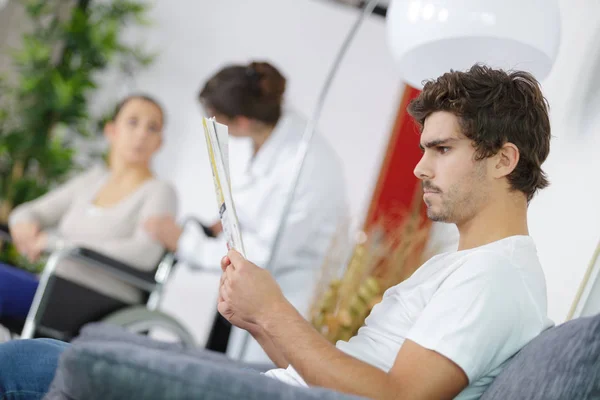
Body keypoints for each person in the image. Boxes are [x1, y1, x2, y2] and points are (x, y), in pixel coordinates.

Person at [0, 64, 553, 400]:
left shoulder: (496, 277)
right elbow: (352, 373)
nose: (419, 168)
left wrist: (274, 312)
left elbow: (394, 396)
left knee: (26, 366)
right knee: (40, 356)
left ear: (503, 159)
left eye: (442, 149)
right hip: (281, 386)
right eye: (422, 149)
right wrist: (259, 321)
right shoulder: (464, 264)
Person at [143, 61, 348, 362]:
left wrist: (185, 242)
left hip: (289, 297)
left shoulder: (305, 164)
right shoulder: (270, 134)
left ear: (240, 122)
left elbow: (264, 253)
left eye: (218, 121)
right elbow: (259, 204)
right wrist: (220, 225)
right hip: (251, 291)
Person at [0, 95, 178, 323]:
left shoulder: (160, 191)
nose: (142, 134)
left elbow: (143, 254)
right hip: (51, 285)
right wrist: (23, 223)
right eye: (133, 122)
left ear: (159, 142)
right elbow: (29, 211)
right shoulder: (93, 180)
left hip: (99, 302)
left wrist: (56, 244)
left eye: (152, 128)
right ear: (111, 131)